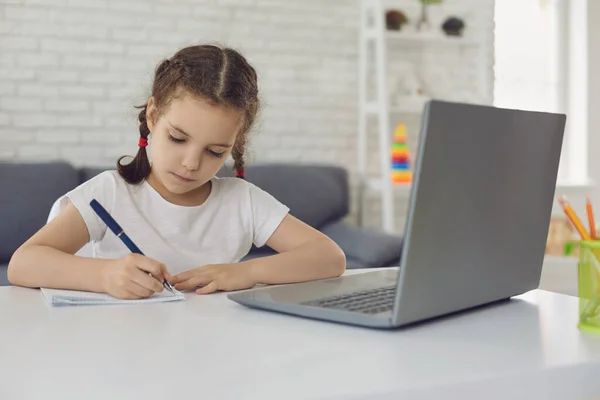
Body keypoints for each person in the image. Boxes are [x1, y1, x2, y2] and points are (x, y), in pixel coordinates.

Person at [8, 44, 346, 299]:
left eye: (216, 151)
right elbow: (23, 264)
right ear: (153, 116)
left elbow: (329, 257)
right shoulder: (109, 193)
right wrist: (105, 275)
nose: (191, 163)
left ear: (235, 143)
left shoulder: (242, 201)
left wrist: (245, 273)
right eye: (177, 138)